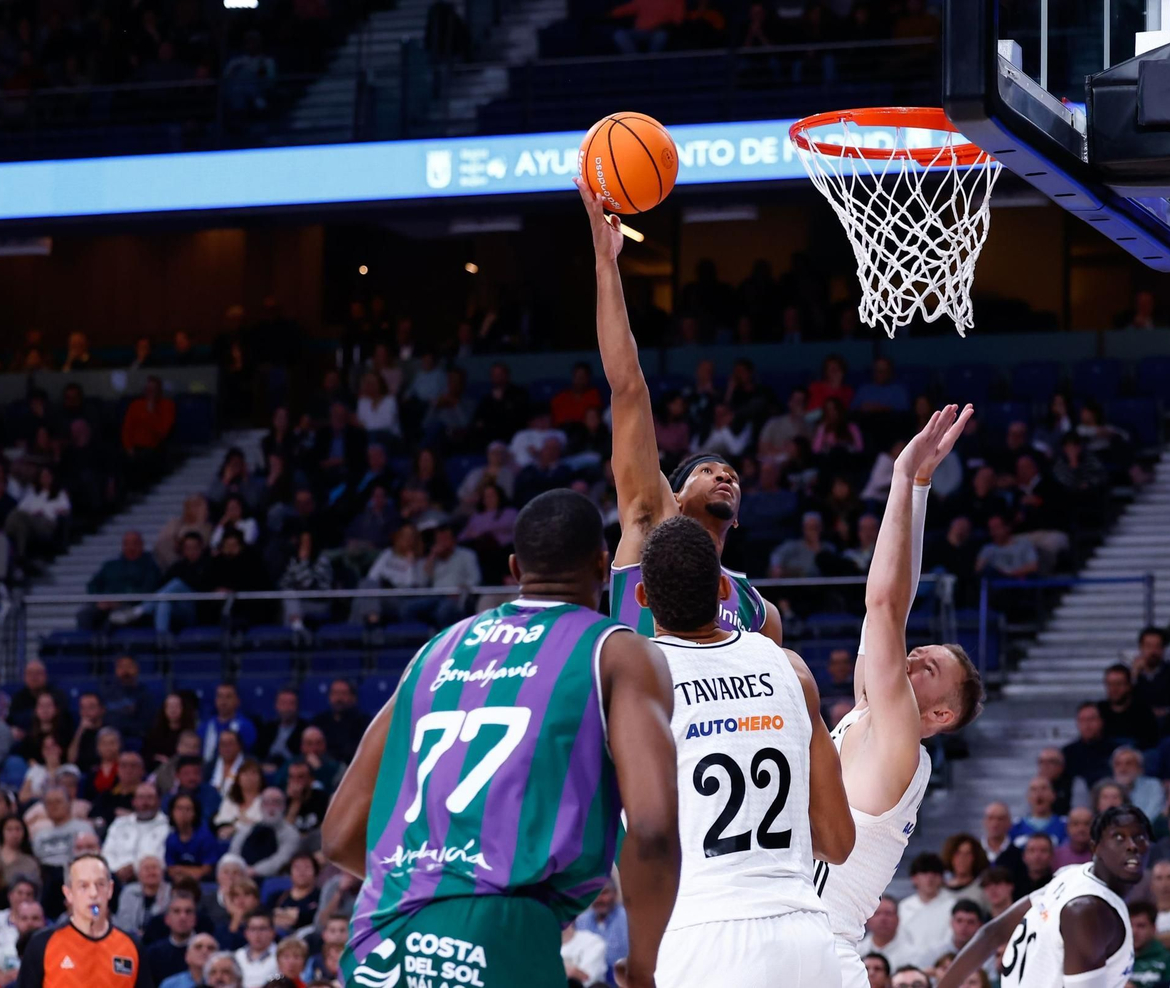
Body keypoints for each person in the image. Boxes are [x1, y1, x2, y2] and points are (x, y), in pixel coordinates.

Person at [322, 489, 681, 988]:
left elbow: (339, 836)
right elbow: (653, 828)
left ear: (515, 569)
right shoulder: (616, 652)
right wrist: (645, 966)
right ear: (603, 565)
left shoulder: (433, 653)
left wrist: (431, 881)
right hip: (501, 931)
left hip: (380, 935)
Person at [639, 516, 853, 988]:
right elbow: (838, 841)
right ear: (721, 588)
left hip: (704, 932)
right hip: (808, 938)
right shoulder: (791, 668)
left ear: (642, 598)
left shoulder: (638, 681)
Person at [815, 408, 986, 988]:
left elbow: (884, 606)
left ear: (940, 714)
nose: (911, 657)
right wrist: (917, 489)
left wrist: (899, 475)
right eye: (917, 652)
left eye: (928, 666)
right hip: (794, 938)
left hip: (818, 950)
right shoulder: (872, 711)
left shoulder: (900, 746)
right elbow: (897, 607)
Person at [580, 176, 783, 644]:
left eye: (729, 472)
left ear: (738, 518)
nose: (725, 476)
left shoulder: (758, 609)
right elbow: (628, 387)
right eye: (707, 470)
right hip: (647, 717)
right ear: (674, 493)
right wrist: (606, 263)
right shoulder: (651, 523)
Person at [935, 806, 1151, 988]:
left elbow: (992, 933)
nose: (1132, 845)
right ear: (1095, 847)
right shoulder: (1089, 910)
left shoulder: (1071, 875)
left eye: (1139, 837)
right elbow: (992, 934)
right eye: (1119, 837)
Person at [16, 852, 154, 985]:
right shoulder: (42, 945)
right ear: (68, 893)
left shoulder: (132, 946)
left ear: (110, 889)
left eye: (100, 884)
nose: (93, 893)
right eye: (83, 886)